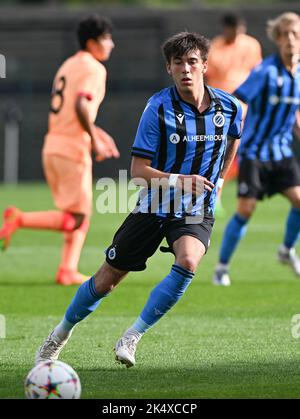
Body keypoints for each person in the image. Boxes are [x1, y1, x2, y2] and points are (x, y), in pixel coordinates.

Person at [35, 31, 242, 368]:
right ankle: (59, 334)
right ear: (169, 68)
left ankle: (133, 335)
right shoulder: (158, 107)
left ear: (205, 65)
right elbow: (137, 171)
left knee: (189, 261)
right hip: (154, 204)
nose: (186, 70)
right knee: (106, 281)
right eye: (179, 63)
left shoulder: (229, 107)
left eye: (192, 62)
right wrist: (180, 179)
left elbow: (234, 138)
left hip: (193, 209)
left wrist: (218, 180)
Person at [0, 15, 119, 285]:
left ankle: (67, 270)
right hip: (71, 150)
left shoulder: (69, 64)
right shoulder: (94, 68)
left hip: (53, 145)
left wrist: (99, 134)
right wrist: (95, 139)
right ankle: (19, 219)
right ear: (92, 42)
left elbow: (71, 112)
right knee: (76, 218)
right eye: (106, 39)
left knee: (80, 214)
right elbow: (80, 106)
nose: (111, 44)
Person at [213, 12, 300, 286]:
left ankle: (286, 250)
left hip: (281, 152)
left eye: (295, 34)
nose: (290, 40)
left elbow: (293, 114)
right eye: (284, 34)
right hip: (254, 152)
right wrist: (231, 134)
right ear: (276, 38)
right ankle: (221, 268)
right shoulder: (265, 72)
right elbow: (237, 99)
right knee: (246, 210)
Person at [206, 13, 262, 216]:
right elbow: (209, 77)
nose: (237, 34)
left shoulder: (251, 46)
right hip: (221, 111)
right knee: (218, 153)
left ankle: (248, 193)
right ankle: (214, 195)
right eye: (233, 30)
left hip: (246, 110)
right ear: (225, 28)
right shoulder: (215, 48)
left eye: (240, 30)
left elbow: (258, 74)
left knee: (245, 152)